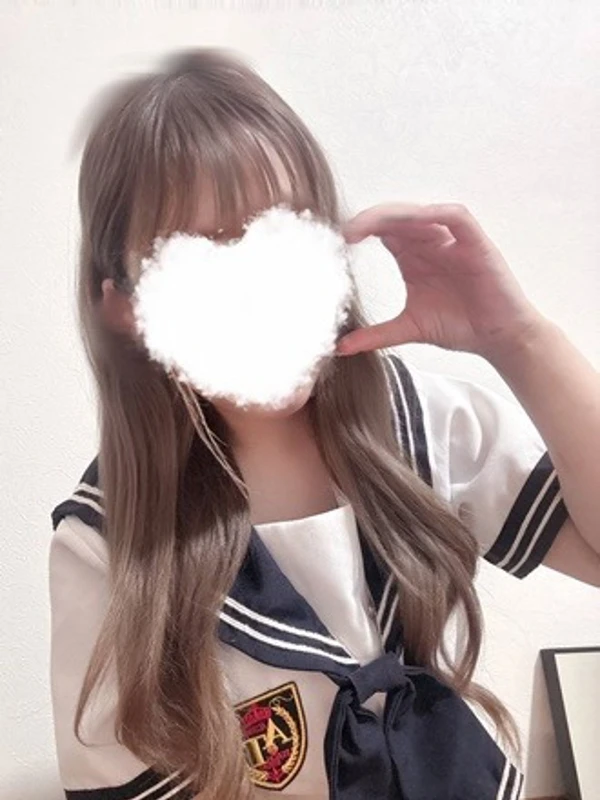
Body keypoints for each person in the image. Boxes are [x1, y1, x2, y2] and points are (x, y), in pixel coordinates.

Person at [48, 47, 600, 800]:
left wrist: (520, 340)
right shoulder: (106, 542)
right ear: (125, 306)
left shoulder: (415, 422)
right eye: (206, 253)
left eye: (288, 229)